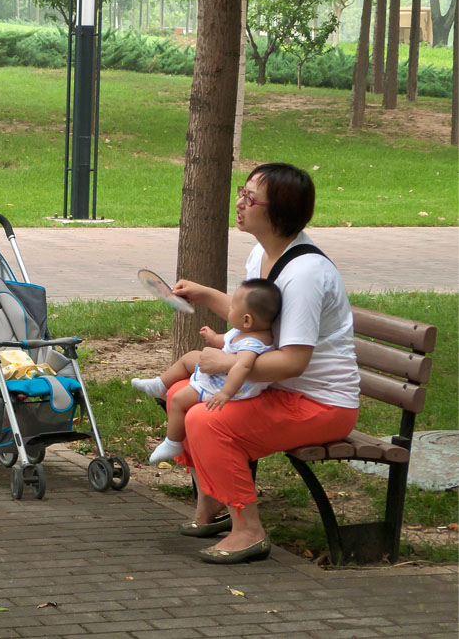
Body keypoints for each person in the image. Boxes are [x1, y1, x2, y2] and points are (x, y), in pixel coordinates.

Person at [169, 163, 360, 564]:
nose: (239, 202)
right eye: (243, 191)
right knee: (179, 394)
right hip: (280, 390)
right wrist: (205, 295)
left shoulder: (305, 273)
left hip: (321, 403)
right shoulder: (263, 253)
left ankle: (248, 530)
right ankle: (211, 505)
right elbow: (251, 322)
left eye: (250, 197)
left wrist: (226, 364)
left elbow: (293, 361)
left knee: (206, 419)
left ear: (277, 213)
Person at [133, 278, 281, 464]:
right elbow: (226, 341)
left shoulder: (252, 344)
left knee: (179, 399)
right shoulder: (243, 331)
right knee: (190, 357)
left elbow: (242, 367)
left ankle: (172, 442)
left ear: (247, 320)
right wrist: (213, 337)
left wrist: (225, 393)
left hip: (222, 385)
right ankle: (159, 384)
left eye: (233, 307)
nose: (229, 309)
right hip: (221, 373)